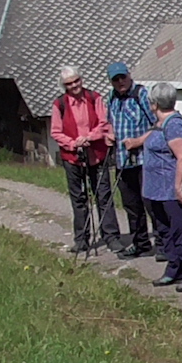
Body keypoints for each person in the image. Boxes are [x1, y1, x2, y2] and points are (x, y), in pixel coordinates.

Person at [137, 82, 182, 292]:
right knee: (165, 231)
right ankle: (174, 268)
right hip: (155, 190)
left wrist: (178, 187)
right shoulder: (159, 123)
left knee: (180, 231)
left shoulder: (174, 124)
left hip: (171, 190)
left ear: (154, 104)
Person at [49, 66, 120, 254]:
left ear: (81, 79)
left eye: (76, 81)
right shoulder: (60, 104)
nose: (74, 86)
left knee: (104, 196)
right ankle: (81, 240)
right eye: (69, 84)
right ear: (64, 86)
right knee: (78, 199)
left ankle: (111, 237)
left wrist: (88, 137)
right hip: (72, 158)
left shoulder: (94, 98)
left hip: (97, 155)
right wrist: (74, 143)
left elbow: (103, 123)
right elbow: (55, 131)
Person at [106, 62, 160, 260]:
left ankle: (162, 244)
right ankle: (141, 244)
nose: (120, 82)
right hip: (122, 159)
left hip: (144, 159)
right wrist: (109, 135)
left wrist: (138, 141)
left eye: (122, 77)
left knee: (151, 203)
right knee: (131, 205)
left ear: (129, 75)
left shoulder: (142, 95)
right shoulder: (111, 97)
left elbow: (158, 125)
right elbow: (109, 123)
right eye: (115, 79)